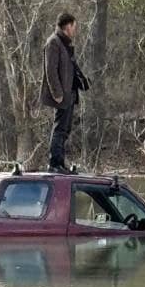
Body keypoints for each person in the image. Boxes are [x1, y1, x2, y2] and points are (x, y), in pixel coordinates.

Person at [40, 11, 89, 172]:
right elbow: (50, 71)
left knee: (65, 129)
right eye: (74, 26)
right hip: (62, 95)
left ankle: (60, 163)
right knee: (60, 128)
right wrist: (58, 94)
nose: (75, 30)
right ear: (68, 26)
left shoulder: (65, 44)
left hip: (69, 93)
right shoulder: (53, 43)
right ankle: (54, 164)